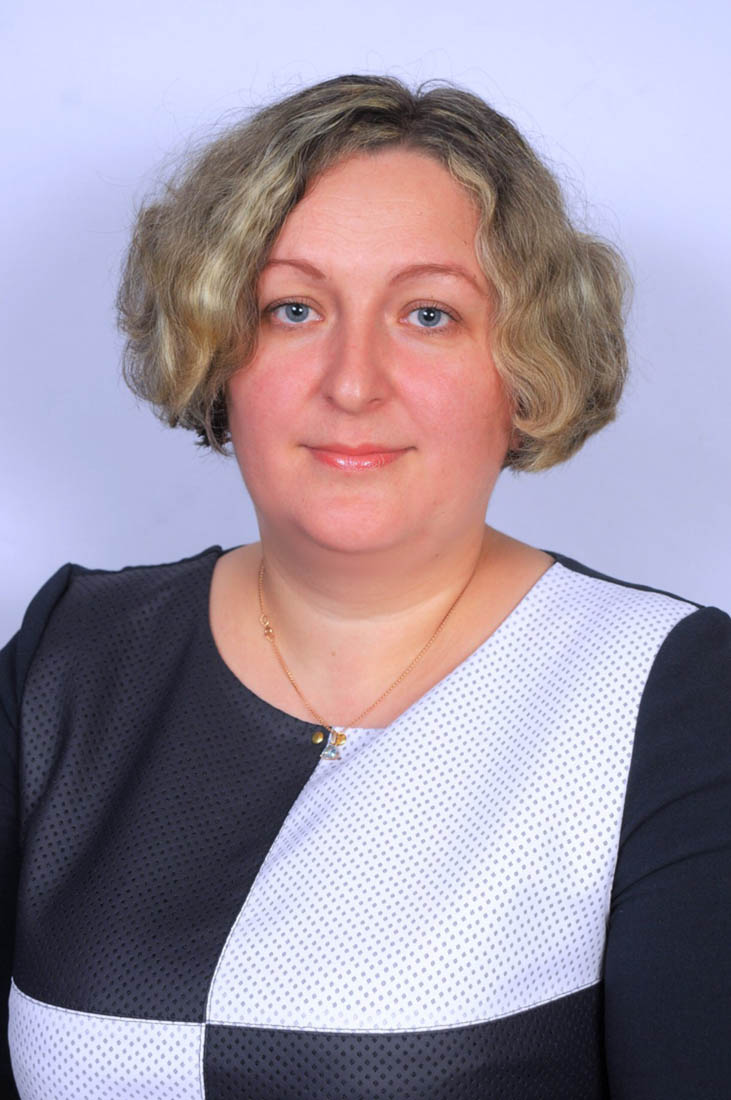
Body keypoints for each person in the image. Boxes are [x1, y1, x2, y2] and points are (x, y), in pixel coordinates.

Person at [2, 73, 729, 1100]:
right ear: (216, 352)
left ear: (524, 366)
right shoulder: (68, 658)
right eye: (292, 309)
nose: (351, 382)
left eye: (428, 314)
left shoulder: (668, 692)